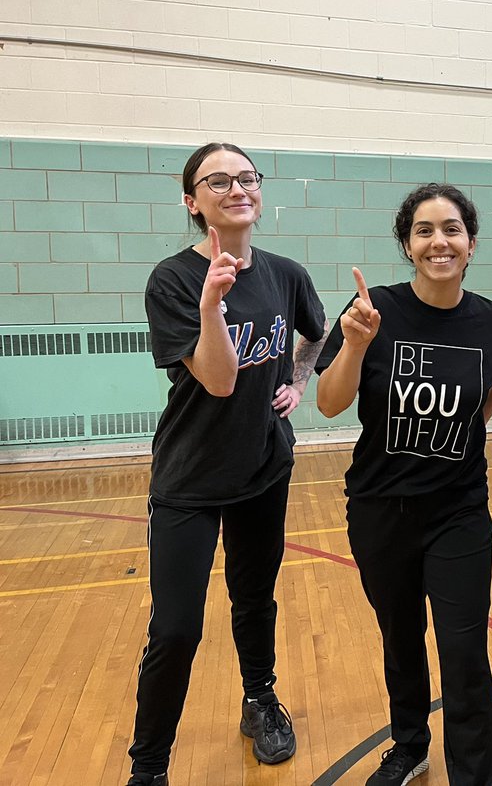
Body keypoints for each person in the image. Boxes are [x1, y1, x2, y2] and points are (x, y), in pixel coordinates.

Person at [127, 143, 328, 786]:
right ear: (193, 201)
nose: (237, 187)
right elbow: (215, 381)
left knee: (254, 598)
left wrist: (297, 381)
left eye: (247, 177)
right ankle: (149, 767)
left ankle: (260, 699)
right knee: (177, 629)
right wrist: (212, 302)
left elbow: (314, 332)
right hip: (190, 476)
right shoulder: (174, 280)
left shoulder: (285, 274)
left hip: (263, 467)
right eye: (218, 181)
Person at [315, 183, 492, 786]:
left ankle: (474, 776)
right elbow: (329, 403)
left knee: (463, 653)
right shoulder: (372, 310)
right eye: (425, 230)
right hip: (380, 508)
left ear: (472, 244)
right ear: (407, 244)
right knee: (400, 637)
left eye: (452, 229)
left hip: (459, 510)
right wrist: (354, 345)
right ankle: (409, 747)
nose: (440, 241)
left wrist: (468, 427)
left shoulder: (490, 320)